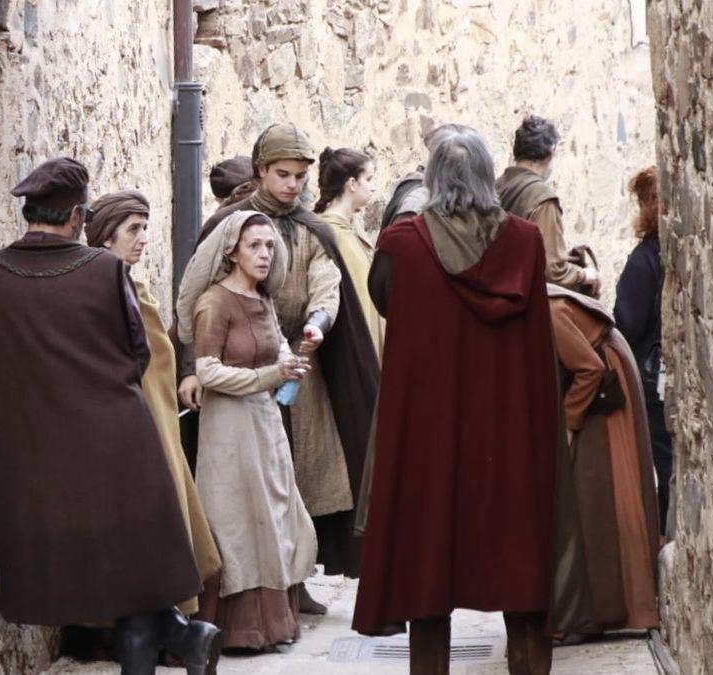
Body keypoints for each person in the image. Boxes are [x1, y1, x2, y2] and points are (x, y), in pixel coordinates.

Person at [0, 158, 221, 675]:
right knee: (134, 580)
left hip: (39, 455)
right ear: (78, 216)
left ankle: (186, 636)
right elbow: (137, 355)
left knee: (120, 582)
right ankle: (185, 635)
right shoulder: (105, 270)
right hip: (118, 445)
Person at [353, 127, 559, 675]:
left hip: (432, 438)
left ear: (433, 179)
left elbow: (385, 300)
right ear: (489, 176)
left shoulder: (402, 245)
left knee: (429, 572)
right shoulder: (525, 242)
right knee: (520, 568)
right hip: (508, 437)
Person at [184, 124, 379, 607]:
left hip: (296, 362)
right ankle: (246, 591)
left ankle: (295, 581)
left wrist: (317, 322)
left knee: (299, 478)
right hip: (235, 367)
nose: (293, 185)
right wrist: (191, 365)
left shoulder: (310, 229)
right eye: (284, 175)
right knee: (244, 483)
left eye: (300, 176)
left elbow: (324, 279)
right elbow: (194, 295)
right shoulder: (230, 226)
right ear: (261, 171)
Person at [175, 210, 319, 650]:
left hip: (264, 422)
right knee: (235, 518)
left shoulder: (263, 300)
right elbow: (208, 371)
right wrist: (268, 376)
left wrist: (294, 360)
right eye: (254, 245)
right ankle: (235, 629)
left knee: (271, 515)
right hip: (229, 428)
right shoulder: (214, 303)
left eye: (270, 246)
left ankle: (272, 623)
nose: (264, 254)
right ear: (232, 251)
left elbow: (274, 354)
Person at [85, 189, 223, 617]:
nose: (144, 238)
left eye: (146, 227)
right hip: (134, 422)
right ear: (106, 237)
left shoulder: (133, 283)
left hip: (159, 417)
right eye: (133, 229)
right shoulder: (103, 288)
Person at [547, 284, 661, 641]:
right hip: (602, 373)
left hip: (604, 384)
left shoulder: (548, 312)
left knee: (602, 490)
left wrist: (568, 422)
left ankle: (609, 609)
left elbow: (589, 369)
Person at [614, 167, 673, 533]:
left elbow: (628, 322)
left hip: (652, 379)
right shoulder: (669, 251)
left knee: (665, 466)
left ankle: (668, 539)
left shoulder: (644, 260)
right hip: (668, 373)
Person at [496, 115, 600, 296]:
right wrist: (584, 275)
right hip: (523, 300)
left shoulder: (497, 186)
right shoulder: (543, 199)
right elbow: (552, 271)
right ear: (549, 155)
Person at [313, 147, 384, 357]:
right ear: (352, 183)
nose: (372, 187)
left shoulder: (349, 229)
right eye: (368, 179)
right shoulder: (332, 234)